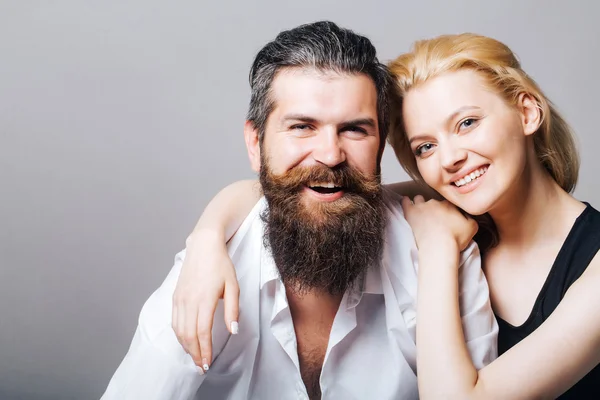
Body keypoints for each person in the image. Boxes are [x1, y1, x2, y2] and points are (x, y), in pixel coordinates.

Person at [174, 33, 600, 399]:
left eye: (467, 123)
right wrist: (207, 239)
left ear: (527, 112)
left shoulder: (588, 263)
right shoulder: (457, 201)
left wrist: (437, 251)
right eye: (424, 147)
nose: (449, 158)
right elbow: (297, 190)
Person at [101, 22, 497, 400]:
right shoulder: (209, 272)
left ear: (380, 145)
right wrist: (206, 234)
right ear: (255, 145)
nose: (329, 154)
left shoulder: (439, 248)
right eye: (302, 127)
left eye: (355, 129)